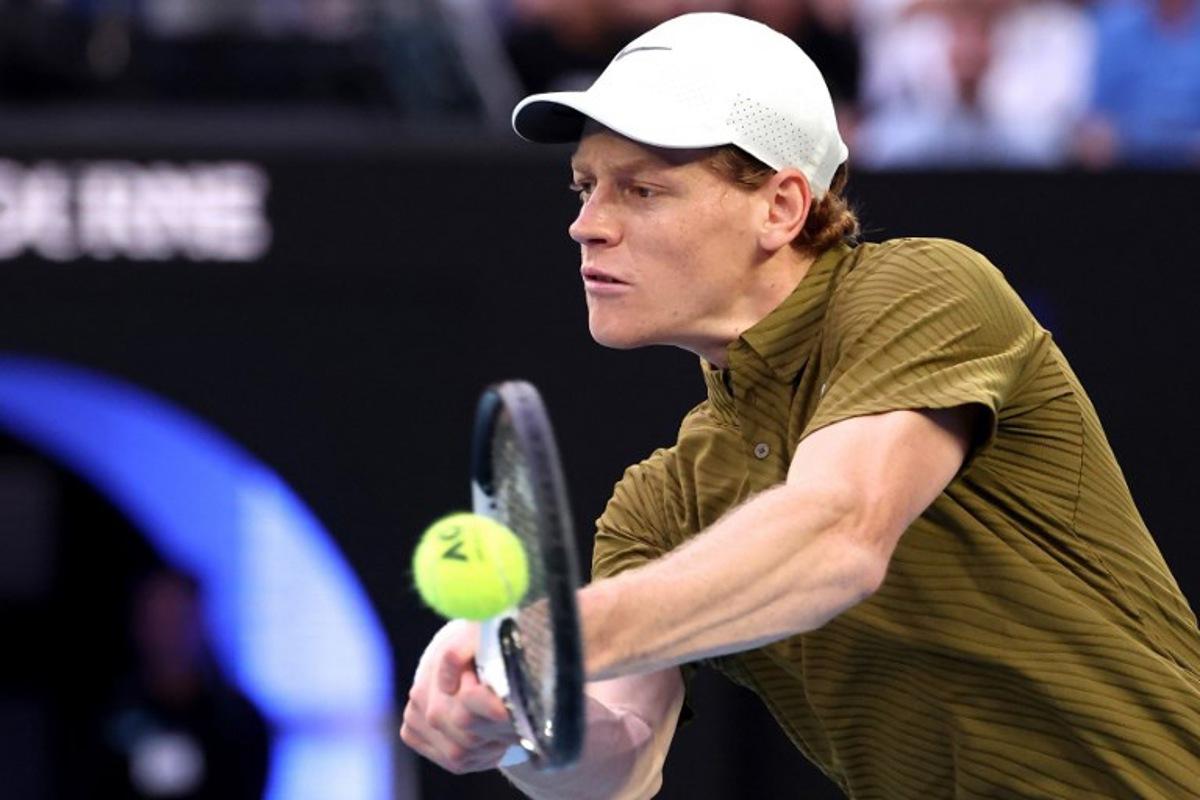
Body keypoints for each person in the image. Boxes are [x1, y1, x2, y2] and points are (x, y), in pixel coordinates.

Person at [401, 12, 1200, 799]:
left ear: (781, 207)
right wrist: (516, 720)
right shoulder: (661, 502)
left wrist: (547, 639)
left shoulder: (924, 287)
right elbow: (616, 762)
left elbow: (838, 537)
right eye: (584, 187)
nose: (586, 225)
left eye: (641, 189)